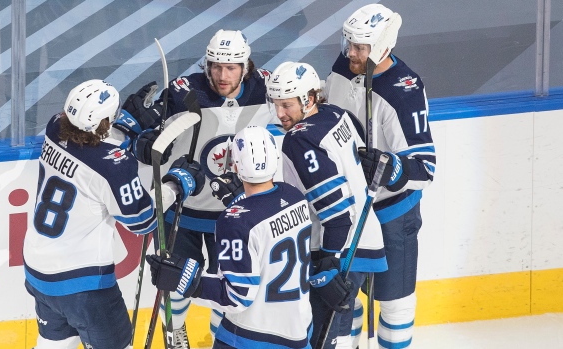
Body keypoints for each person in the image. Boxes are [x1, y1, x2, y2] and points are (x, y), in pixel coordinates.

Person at [116, 29, 278, 347]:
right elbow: (140, 133)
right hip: (181, 209)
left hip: (234, 214)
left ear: (246, 66)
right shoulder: (185, 91)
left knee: (228, 287)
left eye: (231, 67)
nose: (222, 74)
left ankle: (223, 339)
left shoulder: (266, 89)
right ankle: (176, 336)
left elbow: (307, 105)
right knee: (174, 283)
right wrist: (141, 142)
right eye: (215, 66)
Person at [23, 79, 205, 349]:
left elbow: (94, 147)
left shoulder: (54, 128)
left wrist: (126, 132)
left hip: (38, 272)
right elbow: (144, 221)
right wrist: (176, 184)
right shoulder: (114, 167)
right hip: (83, 285)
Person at [323, 4, 436, 348]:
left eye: (361, 47)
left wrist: (391, 168)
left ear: (384, 45)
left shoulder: (404, 92)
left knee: (395, 304)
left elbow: (425, 167)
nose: (351, 53)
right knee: (343, 297)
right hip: (348, 209)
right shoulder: (344, 66)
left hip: (391, 213)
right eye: (349, 44)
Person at [146, 126, 313, 349]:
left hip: (252, 337)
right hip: (299, 328)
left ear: (235, 165)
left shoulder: (234, 222)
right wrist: (241, 200)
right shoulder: (294, 196)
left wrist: (186, 280)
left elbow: (236, 296)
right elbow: (264, 217)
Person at [266, 61, 388, 349]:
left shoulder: (299, 139)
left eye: (286, 105)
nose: (280, 113)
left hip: (339, 249)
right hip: (364, 236)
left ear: (308, 99)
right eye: (276, 104)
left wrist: (328, 263)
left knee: (325, 338)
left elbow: (336, 214)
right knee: (339, 330)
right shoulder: (334, 114)